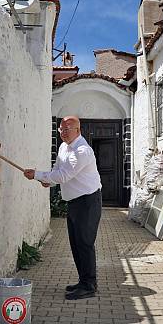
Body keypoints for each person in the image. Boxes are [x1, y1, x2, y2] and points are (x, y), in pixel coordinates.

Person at [23, 116, 102, 300]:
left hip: (88, 203)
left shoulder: (82, 151)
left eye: (68, 129)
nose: (63, 133)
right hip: (74, 202)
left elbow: (64, 175)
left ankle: (89, 285)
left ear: (78, 130)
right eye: (61, 129)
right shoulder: (63, 147)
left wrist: (37, 175)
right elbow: (57, 170)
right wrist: (48, 181)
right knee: (75, 244)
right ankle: (83, 281)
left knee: (84, 244)